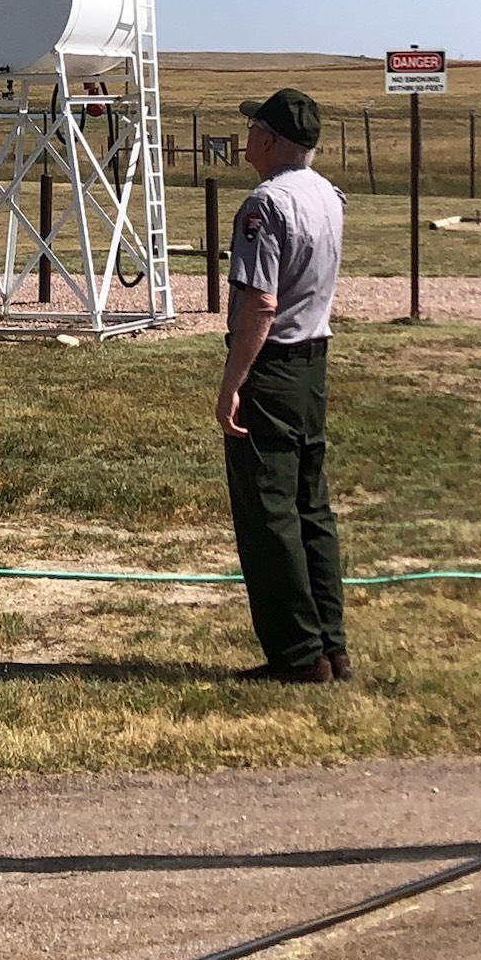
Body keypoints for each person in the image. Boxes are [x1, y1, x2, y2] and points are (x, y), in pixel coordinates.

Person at [215, 87, 352, 684]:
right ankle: (331, 643)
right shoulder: (330, 196)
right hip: (314, 363)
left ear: (269, 139)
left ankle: (297, 655)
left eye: (253, 129)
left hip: (271, 365)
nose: (246, 138)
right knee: (310, 505)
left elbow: (260, 304)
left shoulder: (263, 207)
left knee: (269, 512)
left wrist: (232, 383)